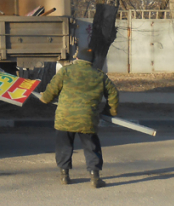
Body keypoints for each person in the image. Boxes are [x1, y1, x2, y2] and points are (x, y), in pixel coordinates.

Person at [39, 48, 120, 188]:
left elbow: (50, 92)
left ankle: (64, 175)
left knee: (64, 146)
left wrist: (44, 98)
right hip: (87, 119)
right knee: (91, 147)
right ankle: (95, 177)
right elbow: (113, 94)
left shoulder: (65, 71)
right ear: (92, 61)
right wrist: (109, 111)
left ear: (77, 59)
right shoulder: (100, 76)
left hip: (65, 118)